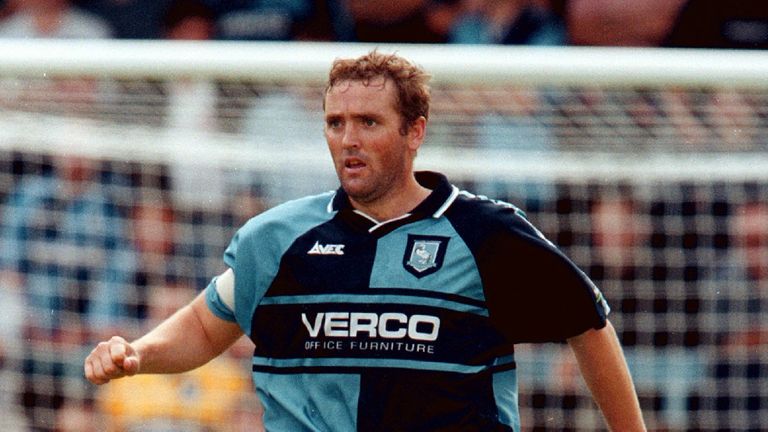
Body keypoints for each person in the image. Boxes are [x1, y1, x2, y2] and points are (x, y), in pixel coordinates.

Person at [84, 50, 646, 431]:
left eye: (369, 122)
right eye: (335, 123)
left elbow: (587, 325)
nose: (348, 139)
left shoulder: (487, 232)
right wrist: (138, 354)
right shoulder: (276, 238)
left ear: (415, 131)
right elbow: (208, 324)